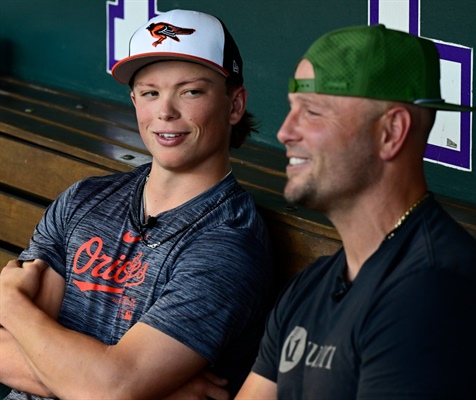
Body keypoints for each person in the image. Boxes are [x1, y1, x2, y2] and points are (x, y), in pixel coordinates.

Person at [0, 9, 273, 400]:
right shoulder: (85, 199)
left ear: (234, 105)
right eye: (150, 93)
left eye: (190, 91)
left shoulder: (228, 244)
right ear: (134, 100)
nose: (165, 111)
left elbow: (111, 386)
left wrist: (7, 302)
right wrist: (147, 392)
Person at [234, 25, 476, 399]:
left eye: (312, 112)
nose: (284, 132)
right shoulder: (312, 285)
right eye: (292, 110)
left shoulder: (435, 292)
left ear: (391, 132)